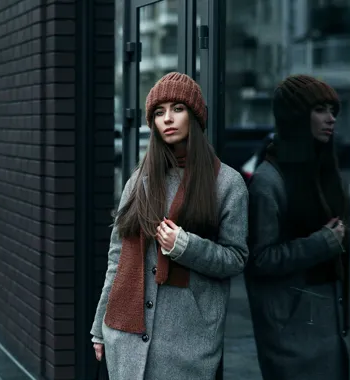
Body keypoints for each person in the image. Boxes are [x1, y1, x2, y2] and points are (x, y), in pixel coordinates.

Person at [90, 72, 249, 379]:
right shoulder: (140, 180)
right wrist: (100, 327)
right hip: (126, 336)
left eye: (178, 108)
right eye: (159, 112)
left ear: (195, 115)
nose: (168, 119)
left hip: (186, 344)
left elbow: (236, 259)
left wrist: (186, 247)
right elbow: (117, 258)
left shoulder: (228, 183)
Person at [245, 75, 349, 380]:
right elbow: (259, 258)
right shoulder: (269, 181)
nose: (330, 118)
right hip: (291, 331)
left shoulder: (324, 171)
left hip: (328, 318)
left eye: (332, 110)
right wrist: (323, 242)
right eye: (320, 109)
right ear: (297, 116)